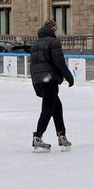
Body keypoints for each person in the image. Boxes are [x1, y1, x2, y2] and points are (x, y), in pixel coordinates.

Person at [28, 19, 74, 152]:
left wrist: (36, 85)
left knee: (56, 107)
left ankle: (62, 135)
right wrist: (69, 77)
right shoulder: (54, 42)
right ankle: (38, 136)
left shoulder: (35, 44)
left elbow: (32, 67)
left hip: (40, 80)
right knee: (48, 108)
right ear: (53, 29)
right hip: (49, 80)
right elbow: (59, 62)